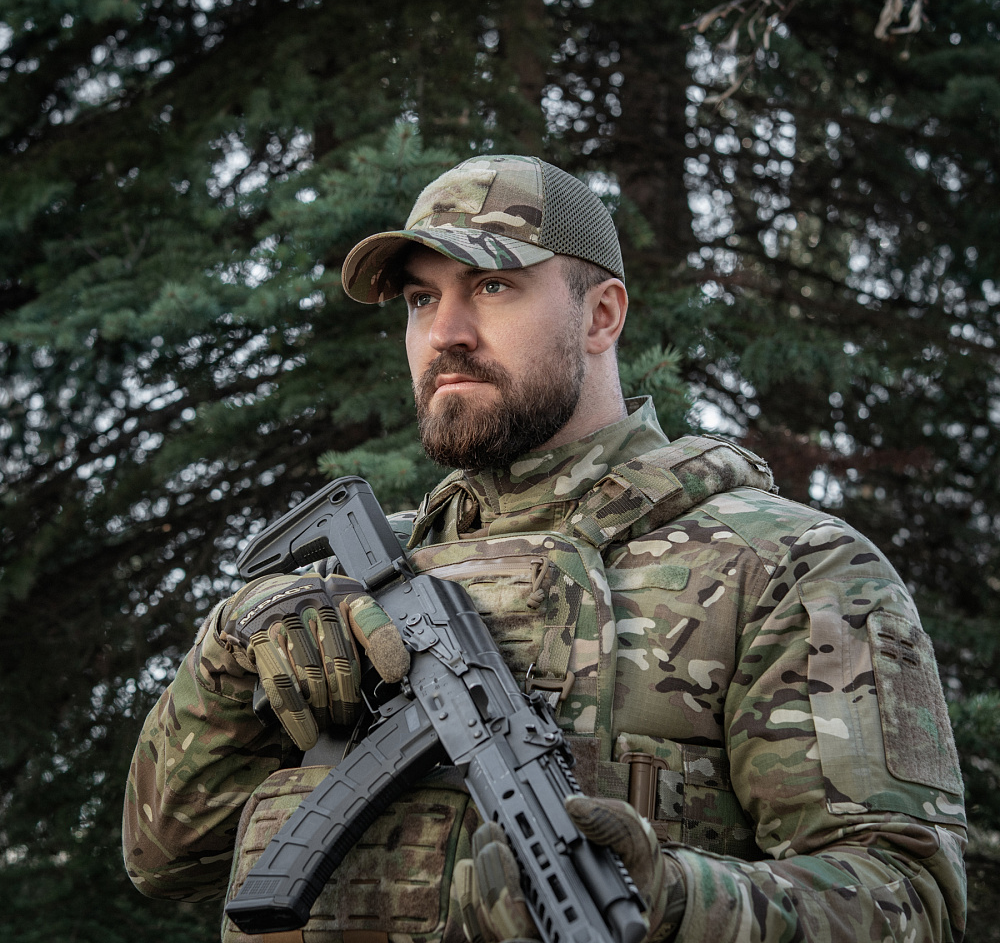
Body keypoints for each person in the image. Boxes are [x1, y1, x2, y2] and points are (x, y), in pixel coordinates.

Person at [124, 155, 967, 943]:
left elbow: (908, 896)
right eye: (420, 299)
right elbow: (165, 861)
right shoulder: (344, 585)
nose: (446, 332)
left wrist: (675, 900)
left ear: (601, 315)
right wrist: (225, 663)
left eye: (492, 286)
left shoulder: (782, 564)